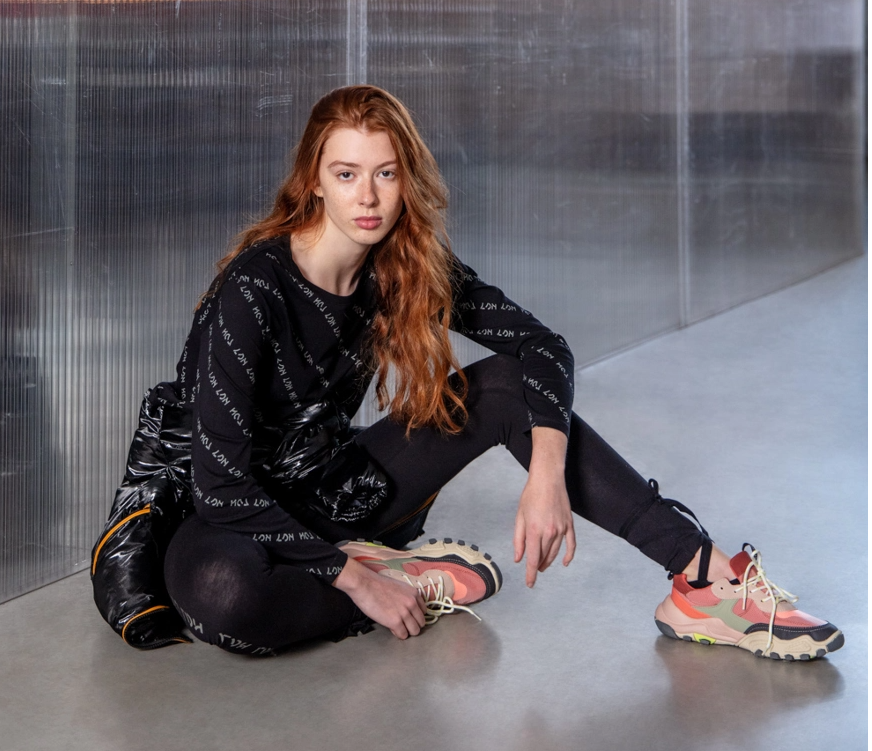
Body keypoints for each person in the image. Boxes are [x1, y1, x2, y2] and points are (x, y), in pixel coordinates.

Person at [162, 85, 843, 661]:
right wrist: (356, 583)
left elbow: (543, 348)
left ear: (407, 178)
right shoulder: (254, 289)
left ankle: (705, 580)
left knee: (510, 387)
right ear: (313, 179)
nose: (367, 197)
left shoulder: (404, 265)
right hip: (241, 518)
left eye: (386, 173)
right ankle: (394, 580)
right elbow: (220, 486)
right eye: (346, 174)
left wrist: (546, 471)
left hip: (346, 491)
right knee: (226, 596)